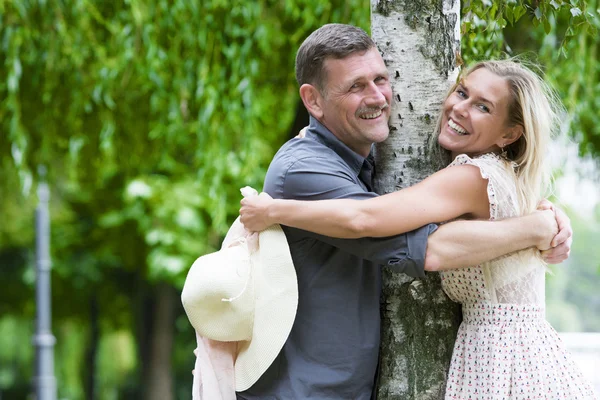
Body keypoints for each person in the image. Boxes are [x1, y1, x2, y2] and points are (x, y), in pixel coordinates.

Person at [237, 24, 573, 400]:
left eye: (381, 79)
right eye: (355, 86)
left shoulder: (392, 163)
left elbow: (370, 216)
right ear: (313, 101)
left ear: (510, 134)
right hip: (304, 391)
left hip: (500, 363)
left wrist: (546, 222)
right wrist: (539, 227)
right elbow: (427, 246)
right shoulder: (305, 170)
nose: (378, 98)